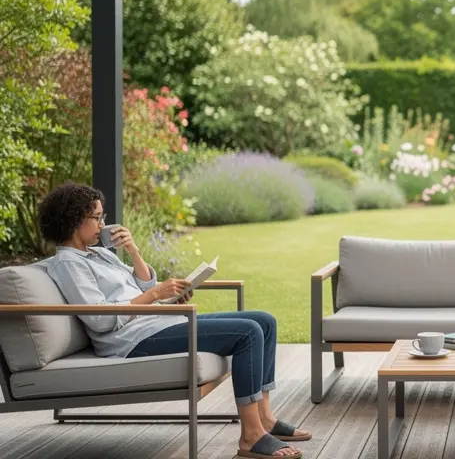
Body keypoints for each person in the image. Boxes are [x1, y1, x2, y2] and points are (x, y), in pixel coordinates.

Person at [38, 182, 310, 459]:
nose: (103, 224)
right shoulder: (69, 263)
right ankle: (251, 436)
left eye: (102, 216)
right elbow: (100, 319)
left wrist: (134, 252)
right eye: (96, 217)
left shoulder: (98, 254)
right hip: (132, 340)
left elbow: (143, 287)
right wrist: (156, 295)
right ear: (74, 219)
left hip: (156, 323)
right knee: (249, 332)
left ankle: (265, 419)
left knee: (265, 321)